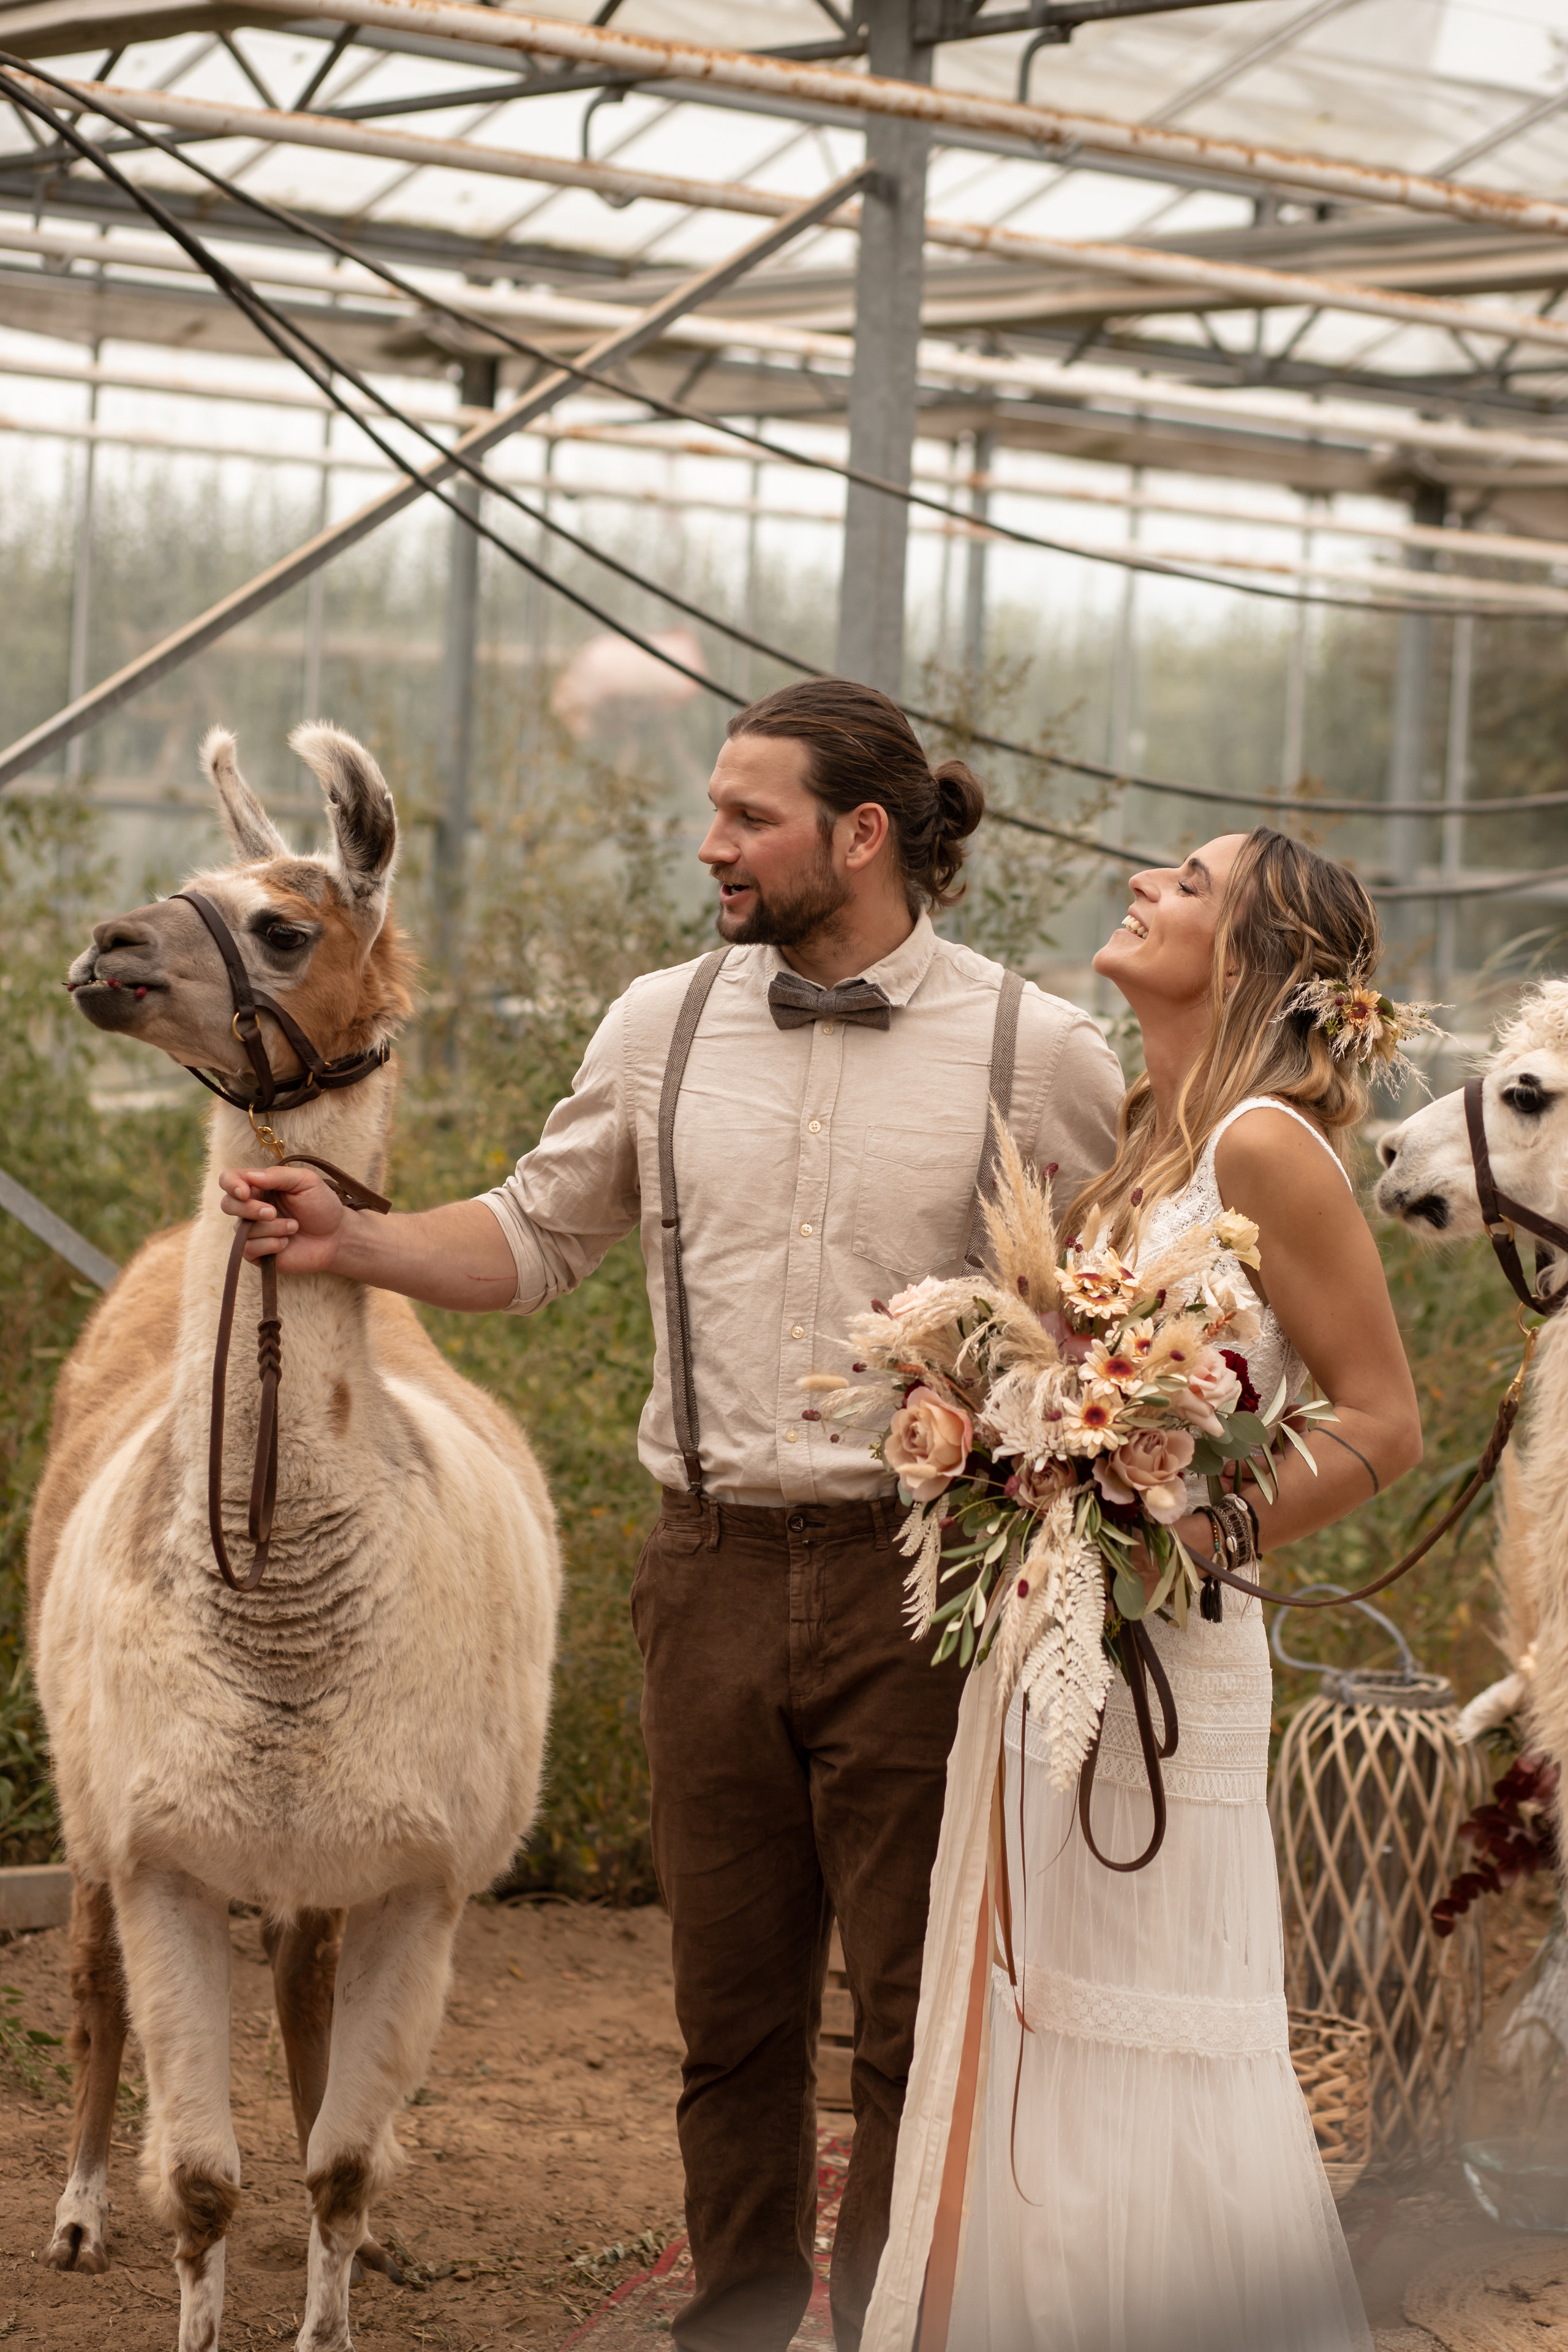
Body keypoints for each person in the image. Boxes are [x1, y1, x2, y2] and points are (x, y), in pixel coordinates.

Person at [217, 677, 1124, 2352]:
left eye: (747, 817)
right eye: (715, 811)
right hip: (702, 1572)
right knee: (731, 2015)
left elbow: (1096, 1326)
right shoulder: (661, 1025)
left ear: (861, 836)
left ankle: (900, 2328)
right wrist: (353, 1235)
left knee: (917, 2014)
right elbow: (537, 1233)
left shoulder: (1039, 1052)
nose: (711, 844)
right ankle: (743, 2323)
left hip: (924, 1589)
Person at [865, 829, 1423, 2352]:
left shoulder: (1263, 1147)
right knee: (1029, 2014)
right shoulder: (1143, 1144)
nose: (1145, 885)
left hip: (1166, 1660)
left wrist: (1184, 1531)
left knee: (1138, 2035)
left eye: (1187, 880)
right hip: (1044, 1642)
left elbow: (1381, 1420)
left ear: (1249, 955)